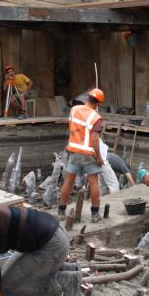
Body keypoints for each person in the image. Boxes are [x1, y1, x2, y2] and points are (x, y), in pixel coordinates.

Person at [58, 88, 105, 223]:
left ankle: (61, 211)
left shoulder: (74, 109)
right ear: (98, 103)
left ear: (87, 98)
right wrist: (99, 158)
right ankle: (95, 215)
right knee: (94, 182)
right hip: (88, 154)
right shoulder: (96, 118)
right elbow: (95, 139)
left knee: (68, 181)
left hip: (74, 151)